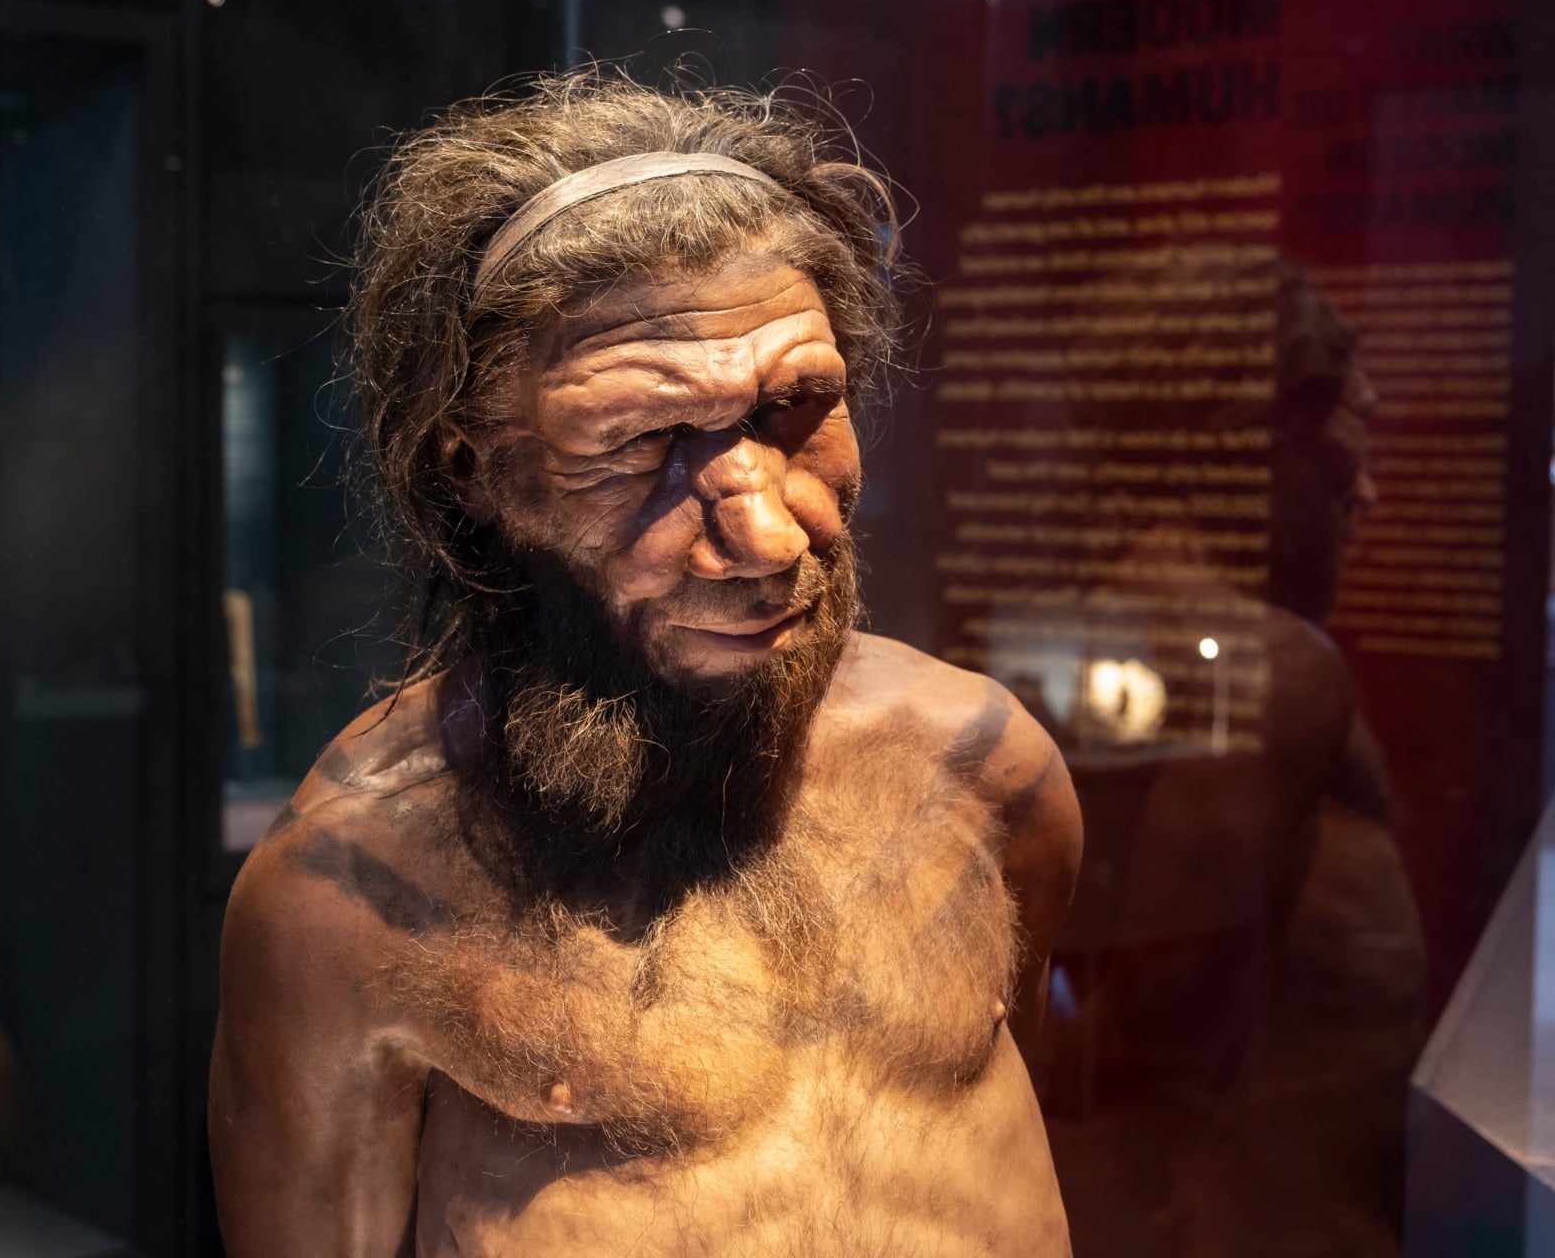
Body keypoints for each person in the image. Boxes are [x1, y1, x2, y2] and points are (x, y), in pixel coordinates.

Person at [209, 74, 1083, 1257]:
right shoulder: (352, 892)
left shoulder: (981, 764)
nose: (770, 536)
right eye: (641, 442)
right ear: (473, 469)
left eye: (798, 408)